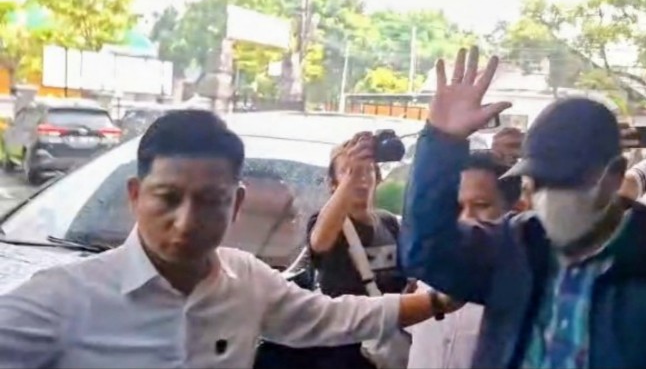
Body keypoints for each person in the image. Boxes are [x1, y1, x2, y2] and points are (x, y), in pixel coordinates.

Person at [399, 46, 646, 368]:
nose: (549, 197)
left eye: (567, 181)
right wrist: (442, 143)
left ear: (614, 177)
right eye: (539, 182)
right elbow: (426, 252)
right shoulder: (514, 248)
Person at [0, 110, 459, 369]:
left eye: (210, 200)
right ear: (136, 196)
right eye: (168, 198)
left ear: (237, 203)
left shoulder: (246, 281)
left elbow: (336, 316)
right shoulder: (60, 300)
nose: (186, 222)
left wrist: (439, 300)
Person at [305, 131, 411, 369]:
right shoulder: (326, 222)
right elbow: (320, 242)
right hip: (340, 349)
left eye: (368, 171)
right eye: (348, 171)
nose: (360, 179)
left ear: (378, 178)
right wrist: (351, 176)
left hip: (387, 344)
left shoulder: (389, 223)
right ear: (333, 183)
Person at [407, 150, 523, 369]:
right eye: (456, 207)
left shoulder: (522, 287)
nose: (465, 219)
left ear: (515, 210)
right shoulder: (429, 273)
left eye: (481, 205)